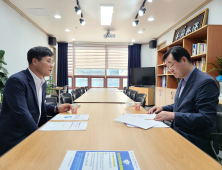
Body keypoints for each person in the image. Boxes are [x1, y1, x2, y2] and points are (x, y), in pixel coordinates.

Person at [148, 46, 219, 157]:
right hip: (178, 132)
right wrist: (163, 108)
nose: (170, 69)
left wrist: (174, 116)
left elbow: (206, 118)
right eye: (167, 67)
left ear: (184, 60)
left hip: (195, 139)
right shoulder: (183, 80)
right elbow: (182, 105)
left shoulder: (206, 82)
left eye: (171, 65)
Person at [0, 46, 71, 156]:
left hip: (32, 133)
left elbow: (38, 105)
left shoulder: (42, 82)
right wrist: (39, 137)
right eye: (48, 61)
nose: (52, 66)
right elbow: (22, 113)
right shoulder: (17, 81)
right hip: (17, 138)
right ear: (35, 61)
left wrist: (56, 108)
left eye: (52, 62)